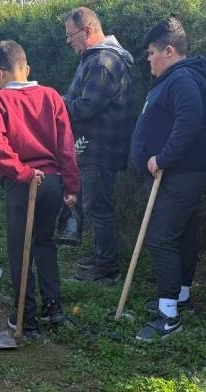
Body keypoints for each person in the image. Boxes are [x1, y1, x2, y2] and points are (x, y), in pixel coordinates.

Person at [0, 40, 80, 334]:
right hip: (52, 182)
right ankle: (54, 307)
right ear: (26, 68)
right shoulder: (51, 96)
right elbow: (66, 146)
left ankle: (25, 316)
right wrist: (71, 185)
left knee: (19, 249)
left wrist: (23, 173)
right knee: (44, 243)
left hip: (23, 183)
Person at [129, 17, 206, 342]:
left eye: (151, 52)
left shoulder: (182, 81)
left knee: (160, 237)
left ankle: (168, 316)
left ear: (168, 50)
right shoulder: (178, 78)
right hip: (184, 173)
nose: (148, 59)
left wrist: (162, 158)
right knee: (181, 234)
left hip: (181, 173)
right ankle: (180, 297)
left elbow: (191, 120)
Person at [63, 6, 134, 284]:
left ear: (87, 31)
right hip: (95, 147)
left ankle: (107, 268)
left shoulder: (104, 62)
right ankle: (99, 256)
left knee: (98, 208)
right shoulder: (97, 58)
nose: (69, 40)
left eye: (71, 34)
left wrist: (59, 105)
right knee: (94, 206)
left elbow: (87, 106)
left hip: (100, 149)